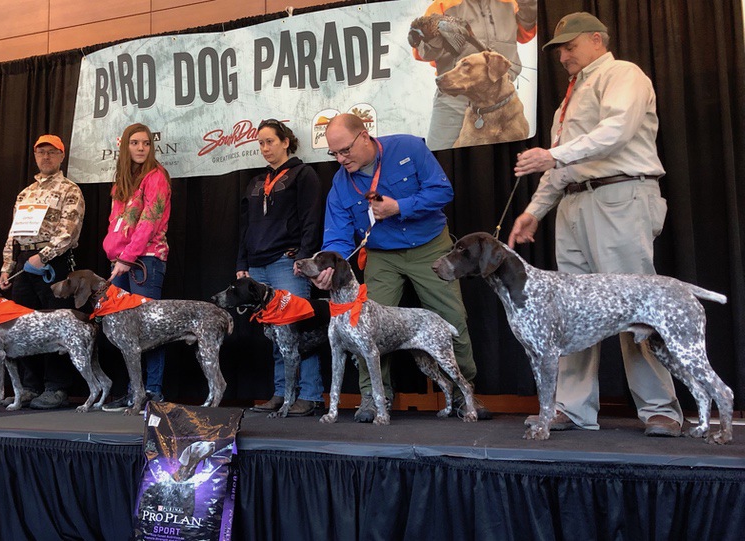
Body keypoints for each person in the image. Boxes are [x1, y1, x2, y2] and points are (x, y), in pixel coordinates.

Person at [509, 12, 683, 437]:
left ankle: (660, 408)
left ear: (596, 40)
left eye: (570, 46)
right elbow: (562, 166)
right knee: (569, 311)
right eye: (559, 49)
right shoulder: (567, 100)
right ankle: (571, 407)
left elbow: (617, 131)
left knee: (635, 303)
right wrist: (535, 210)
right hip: (574, 205)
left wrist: (555, 156)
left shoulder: (623, 74)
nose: (563, 54)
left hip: (619, 197)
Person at [312, 113, 489, 422]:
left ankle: (464, 394)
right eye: (334, 154)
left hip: (429, 246)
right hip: (382, 255)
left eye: (345, 150)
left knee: (452, 318)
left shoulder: (408, 148)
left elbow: (442, 191)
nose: (340, 159)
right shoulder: (340, 186)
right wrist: (328, 269)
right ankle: (373, 396)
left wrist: (399, 207)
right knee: (363, 324)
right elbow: (338, 238)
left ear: (364, 136)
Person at [237, 119, 324, 416]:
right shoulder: (256, 182)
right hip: (258, 267)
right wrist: (242, 263)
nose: (265, 148)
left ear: (286, 141)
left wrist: (304, 256)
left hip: (287, 263)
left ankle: (310, 395)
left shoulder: (303, 174)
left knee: (297, 330)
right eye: (260, 143)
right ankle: (282, 393)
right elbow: (245, 226)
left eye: (270, 141)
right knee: (276, 334)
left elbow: (312, 218)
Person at [0, 134, 85, 409]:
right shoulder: (25, 193)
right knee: (23, 327)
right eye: (41, 152)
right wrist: (7, 266)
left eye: (51, 152)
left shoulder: (70, 190)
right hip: (24, 262)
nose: (45, 157)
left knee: (55, 325)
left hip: (53, 260)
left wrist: (44, 256)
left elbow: (69, 232)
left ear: (61, 156)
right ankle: (29, 387)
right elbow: (14, 233)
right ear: (35, 156)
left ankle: (56, 388)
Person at [101, 124, 172, 411]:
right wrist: (114, 253)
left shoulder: (157, 177)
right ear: (125, 147)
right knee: (125, 332)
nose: (141, 148)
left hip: (146, 261)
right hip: (120, 262)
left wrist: (126, 258)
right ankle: (133, 390)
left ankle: (152, 391)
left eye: (145, 143)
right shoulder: (122, 182)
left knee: (149, 329)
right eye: (135, 143)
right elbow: (115, 223)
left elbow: (148, 224)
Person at [412, 0, 537, 150]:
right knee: (441, 161)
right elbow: (421, 53)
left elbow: (526, 33)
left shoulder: (511, 2)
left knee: (513, 163)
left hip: (503, 99)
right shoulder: (443, 4)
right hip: (455, 99)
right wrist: (432, 39)